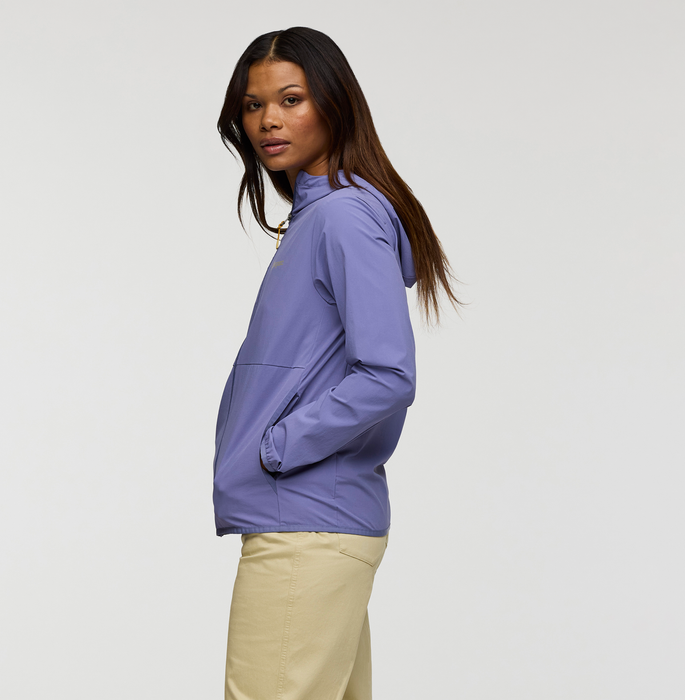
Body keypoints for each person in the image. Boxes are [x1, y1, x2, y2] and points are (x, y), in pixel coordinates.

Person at [213, 26, 461, 700]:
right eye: (253, 105)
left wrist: (278, 447)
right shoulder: (319, 218)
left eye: (291, 99)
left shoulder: (343, 217)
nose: (268, 120)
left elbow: (388, 374)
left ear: (335, 103)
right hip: (315, 523)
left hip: (305, 523)